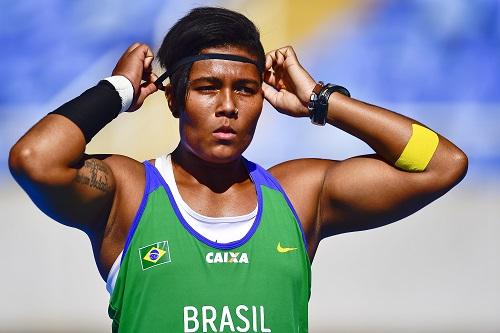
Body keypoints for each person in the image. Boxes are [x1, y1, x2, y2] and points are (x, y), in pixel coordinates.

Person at [8, 6, 467, 333]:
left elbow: (443, 164)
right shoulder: (129, 193)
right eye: (208, 87)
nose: (227, 106)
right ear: (172, 97)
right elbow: (34, 158)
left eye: (246, 90)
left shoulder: (298, 194)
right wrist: (119, 89)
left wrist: (323, 101)